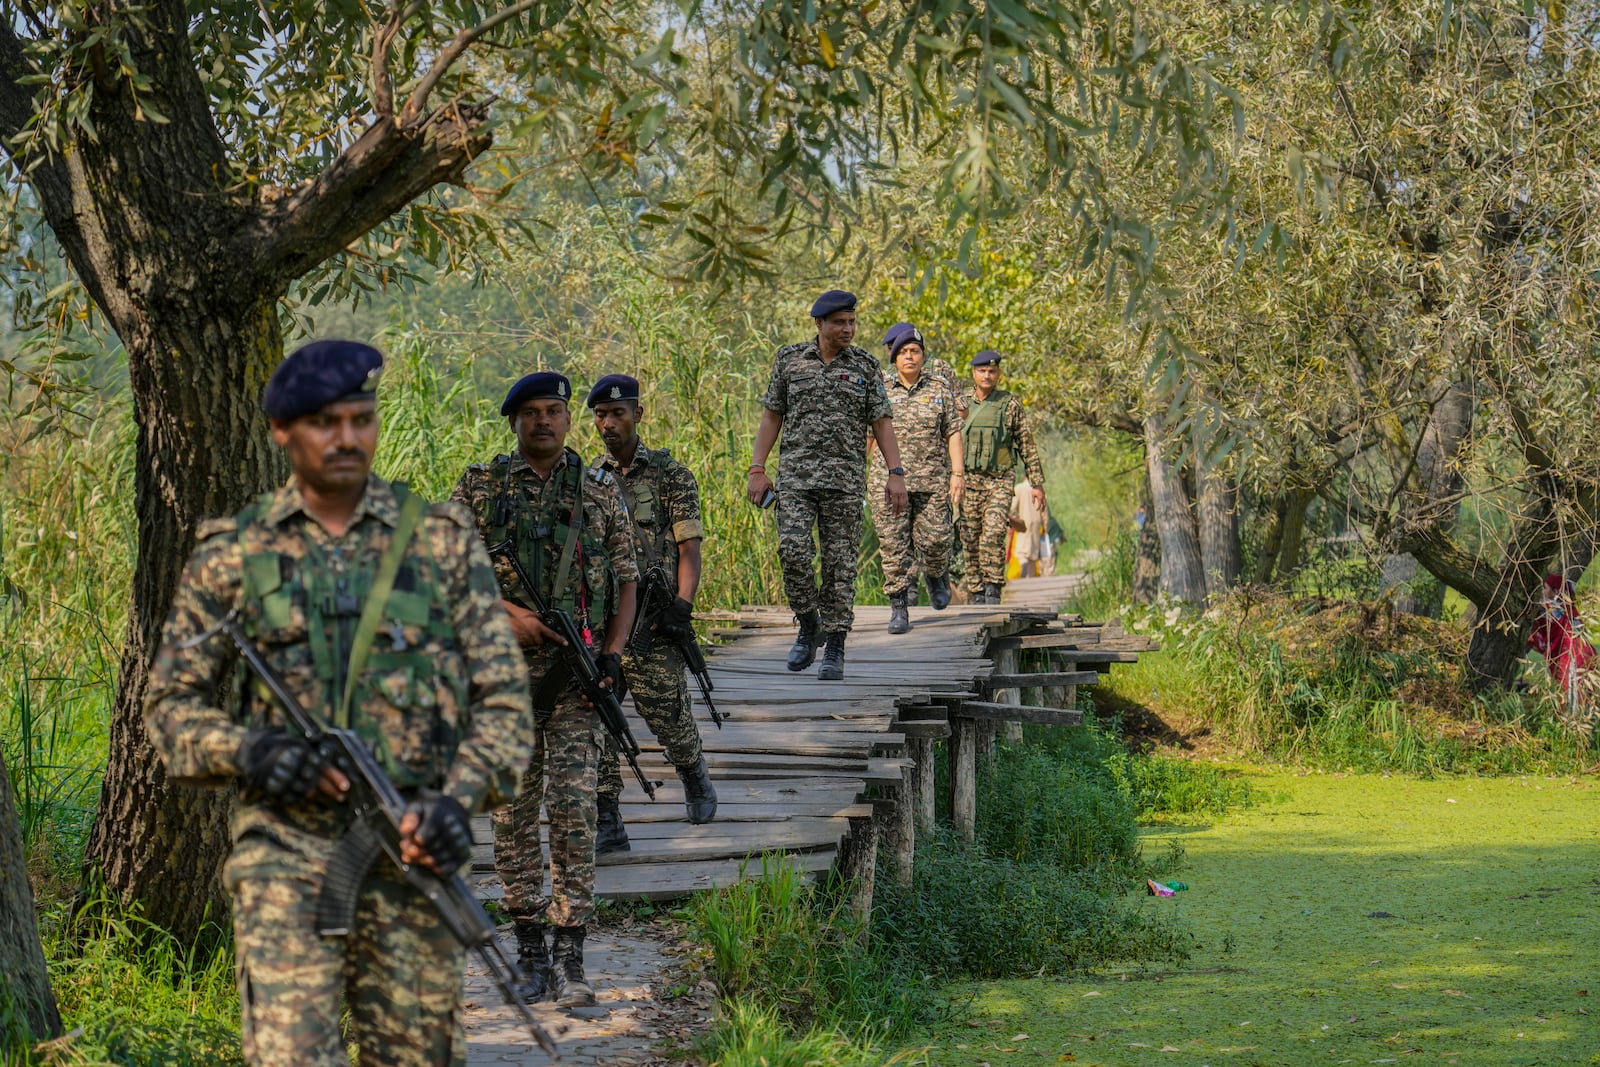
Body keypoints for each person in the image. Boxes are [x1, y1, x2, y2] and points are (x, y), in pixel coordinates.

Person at [143, 339, 533, 1066]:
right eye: (326, 421)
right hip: (285, 856)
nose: (349, 437)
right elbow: (170, 707)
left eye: (361, 416)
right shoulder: (233, 552)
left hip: (413, 853)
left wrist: (458, 800)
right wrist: (253, 752)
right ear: (282, 433)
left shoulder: (440, 543)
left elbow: (505, 699)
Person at [450, 371, 638, 1009]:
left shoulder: (597, 492)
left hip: (574, 684)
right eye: (530, 412)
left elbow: (627, 579)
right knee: (511, 820)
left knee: (576, 816)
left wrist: (612, 656)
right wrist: (511, 618)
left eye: (553, 410)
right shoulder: (480, 489)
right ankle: (529, 950)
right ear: (515, 422)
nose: (543, 422)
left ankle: (571, 958)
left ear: (568, 419)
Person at [747, 289, 909, 679]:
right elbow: (772, 416)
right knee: (793, 553)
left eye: (852, 322)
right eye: (840, 323)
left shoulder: (866, 366)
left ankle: (835, 645)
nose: (848, 329)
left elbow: (881, 422)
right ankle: (808, 624)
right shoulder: (790, 361)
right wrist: (757, 468)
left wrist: (896, 473)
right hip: (796, 480)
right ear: (819, 324)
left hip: (845, 482)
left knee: (839, 566)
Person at [586, 374, 718, 853]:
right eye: (600, 415)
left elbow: (689, 545)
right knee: (596, 715)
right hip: (603, 620)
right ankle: (607, 816)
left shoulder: (669, 474)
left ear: (638, 415)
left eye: (617, 413)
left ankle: (693, 771)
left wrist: (683, 604)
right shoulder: (589, 480)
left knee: (666, 711)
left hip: (654, 616)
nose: (608, 423)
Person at [870, 323, 963, 633]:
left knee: (936, 539)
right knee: (893, 546)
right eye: (904, 352)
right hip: (888, 482)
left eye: (915, 352)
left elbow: (952, 432)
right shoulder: (879, 387)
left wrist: (957, 474)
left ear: (924, 356)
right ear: (894, 358)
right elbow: (868, 433)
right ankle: (899, 606)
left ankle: (937, 574)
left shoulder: (938, 388)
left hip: (932, 479)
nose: (910, 357)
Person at [960, 350, 1045, 604]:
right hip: (969, 480)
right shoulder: (961, 403)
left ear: (998, 374)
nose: (987, 375)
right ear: (974, 373)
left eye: (992, 371)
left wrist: (1037, 484)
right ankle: (975, 590)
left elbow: (1026, 444)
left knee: (995, 531)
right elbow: (947, 439)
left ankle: (993, 588)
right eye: (982, 371)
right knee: (970, 535)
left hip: (999, 479)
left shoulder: (1010, 404)